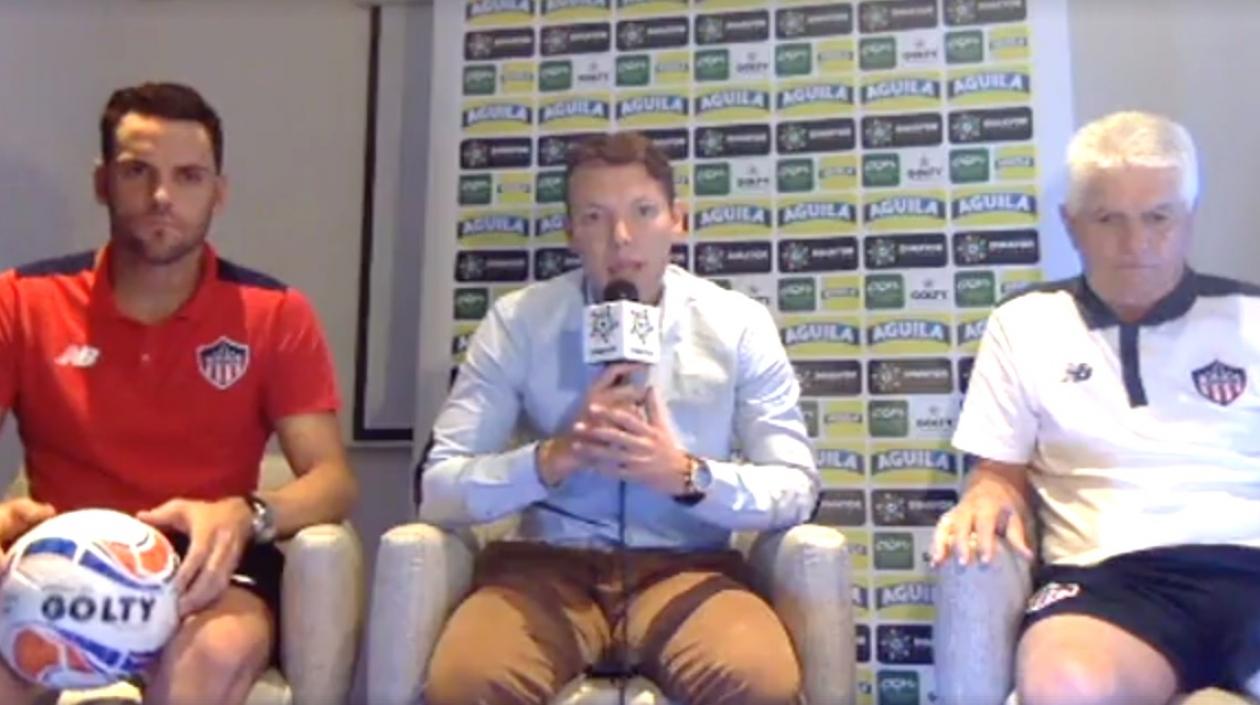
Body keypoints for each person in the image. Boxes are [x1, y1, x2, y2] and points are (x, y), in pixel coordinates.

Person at [418, 132, 819, 705]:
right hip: (545, 570)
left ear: (677, 220)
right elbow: (437, 489)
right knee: (465, 683)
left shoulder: (738, 324)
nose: (621, 237)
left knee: (760, 679)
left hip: (689, 566)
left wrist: (685, 475)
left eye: (643, 212)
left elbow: (798, 486)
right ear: (571, 232)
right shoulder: (518, 322)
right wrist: (554, 458)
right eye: (595, 217)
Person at [0, 82, 357, 705]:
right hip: (58, 562)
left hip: (206, 572)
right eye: (138, 172)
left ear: (218, 193)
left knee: (205, 661)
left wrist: (248, 513)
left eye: (189, 176)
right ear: (102, 182)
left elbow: (332, 481)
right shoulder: (21, 299)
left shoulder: (274, 312)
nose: (162, 198)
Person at [932, 110, 1260, 704]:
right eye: (1109, 219)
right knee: (1064, 687)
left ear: (1188, 219)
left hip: (1250, 559)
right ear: (1071, 223)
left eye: (1158, 218)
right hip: (1112, 582)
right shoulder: (1025, 323)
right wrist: (985, 493)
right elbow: (999, 471)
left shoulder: (1249, 315)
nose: (1136, 244)